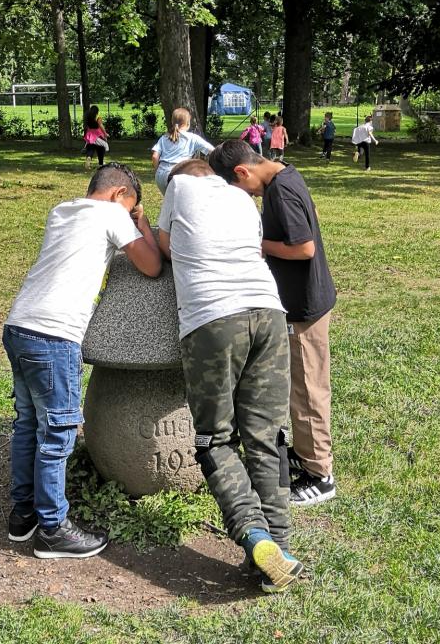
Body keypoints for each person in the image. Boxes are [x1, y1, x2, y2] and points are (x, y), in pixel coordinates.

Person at [157, 160, 303, 593]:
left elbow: (166, 247)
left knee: (214, 439)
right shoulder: (241, 198)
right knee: (269, 437)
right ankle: (281, 547)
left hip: (213, 320)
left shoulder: (178, 188)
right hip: (270, 313)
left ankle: (254, 536)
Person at [3, 164, 161, 559]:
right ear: (119, 194)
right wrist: (141, 223)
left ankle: (23, 515)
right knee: (58, 434)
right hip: (54, 336)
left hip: (19, 325)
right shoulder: (111, 214)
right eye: (129, 206)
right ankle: (53, 529)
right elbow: (152, 265)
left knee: (28, 425)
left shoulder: (62, 210)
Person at [209, 141, 337, 508]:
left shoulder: (278, 192)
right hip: (307, 299)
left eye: (240, 187)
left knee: (308, 389)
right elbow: (309, 217)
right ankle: (308, 451)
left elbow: (304, 247)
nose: (246, 195)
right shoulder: (286, 173)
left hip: (304, 306)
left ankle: (320, 475)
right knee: (303, 385)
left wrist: (259, 244)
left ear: (243, 171)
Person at [151, 107, 214, 194]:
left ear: (172, 122)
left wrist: (157, 170)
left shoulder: (164, 137)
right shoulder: (192, 138)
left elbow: (155, 156)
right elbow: (212, 151)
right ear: (188, 123)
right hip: (178, 174)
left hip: (161, 175)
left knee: (169, 199)